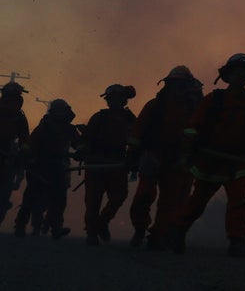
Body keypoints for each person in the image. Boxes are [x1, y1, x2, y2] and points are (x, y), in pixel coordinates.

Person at [169, 53, 245, 257]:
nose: (240, 76)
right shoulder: (214, 99)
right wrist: (187, 150)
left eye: (244, 73)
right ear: (228, 75)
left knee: (239, 201)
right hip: (210, 160)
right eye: (236, 72)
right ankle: (178, 232)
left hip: (238, 162)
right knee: (197, 201)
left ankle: (237, 242)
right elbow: (193, 127)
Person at [126, 65, 203, 249]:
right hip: (153, 155)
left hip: (178, 159)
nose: (178, 88)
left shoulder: (194, 109)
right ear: (167, 85)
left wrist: (192, 157)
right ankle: (139, 228)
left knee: (171, 200)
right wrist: (132, 156)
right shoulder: (154, 106)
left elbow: (200, 134)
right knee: (144, 194)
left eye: (182, 84)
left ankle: (158, 237)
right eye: (175, 84)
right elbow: (137, 132)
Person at [79, 84, 137, 245]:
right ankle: (91, 233)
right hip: (96, 163)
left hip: (117, 164)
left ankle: (102, 222)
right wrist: (82, 150)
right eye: (111, 99)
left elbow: (138, 139)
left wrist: (135, 158)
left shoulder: (130, 119)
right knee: (93, 200)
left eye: (118, 98)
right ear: (108, 101)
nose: (114, 102)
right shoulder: (99, 117)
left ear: (124, 100)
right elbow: (86, 139)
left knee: (119, 196)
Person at [14, 99, 80, 240]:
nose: (60, 114)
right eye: (58, 111)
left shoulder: (70, 129)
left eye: (63, 111)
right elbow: (30, 144)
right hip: (39, 167)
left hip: (57, 168)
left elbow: (78, 144)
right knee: (30, 198)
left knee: (59, 200)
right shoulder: (43, 127)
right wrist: (26, 155)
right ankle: (20, 226)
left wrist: (82, 150)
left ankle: (56, 228)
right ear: (53, 112)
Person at [0, 81, 31, 225]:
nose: (11, 103)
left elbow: (25, 138)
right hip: (7, 154)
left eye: (15, 100)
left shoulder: (20, 118)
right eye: (8, 99)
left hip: (8, 156)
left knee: (5, 190)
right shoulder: (19, 117)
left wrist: (23, 153)